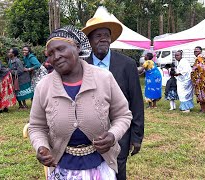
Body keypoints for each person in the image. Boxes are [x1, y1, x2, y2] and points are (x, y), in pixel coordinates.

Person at [29, 25, 132, 179]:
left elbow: (123, 115)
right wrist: (41, 147)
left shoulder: (104, 78)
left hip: (101, 164)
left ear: (77, 47)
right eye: (50, 54)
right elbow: (36, 126)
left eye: (61, 49)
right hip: (62, 167)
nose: (56, 56)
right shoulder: (43, 86)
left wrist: (113, 135)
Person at [82, 17, 144, 180]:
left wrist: (137, 136)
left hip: (120, 133)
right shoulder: (81, 65)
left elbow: (136, 102)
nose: (103, 39)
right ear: (89, 41)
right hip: (89, 136)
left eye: (106, 35)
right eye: (98, 35)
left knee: (117, 171)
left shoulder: (127, 64)